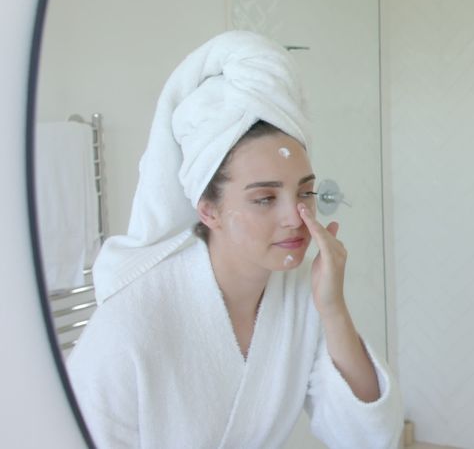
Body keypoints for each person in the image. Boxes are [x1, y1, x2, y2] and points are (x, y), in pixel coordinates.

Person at [67, 31, 403, 448]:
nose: (294, 217)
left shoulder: (298, 298)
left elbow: (369, 437)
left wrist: (333, 307)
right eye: (265, 199)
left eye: (304, 192)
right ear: (207, 209)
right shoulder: (131, 321)